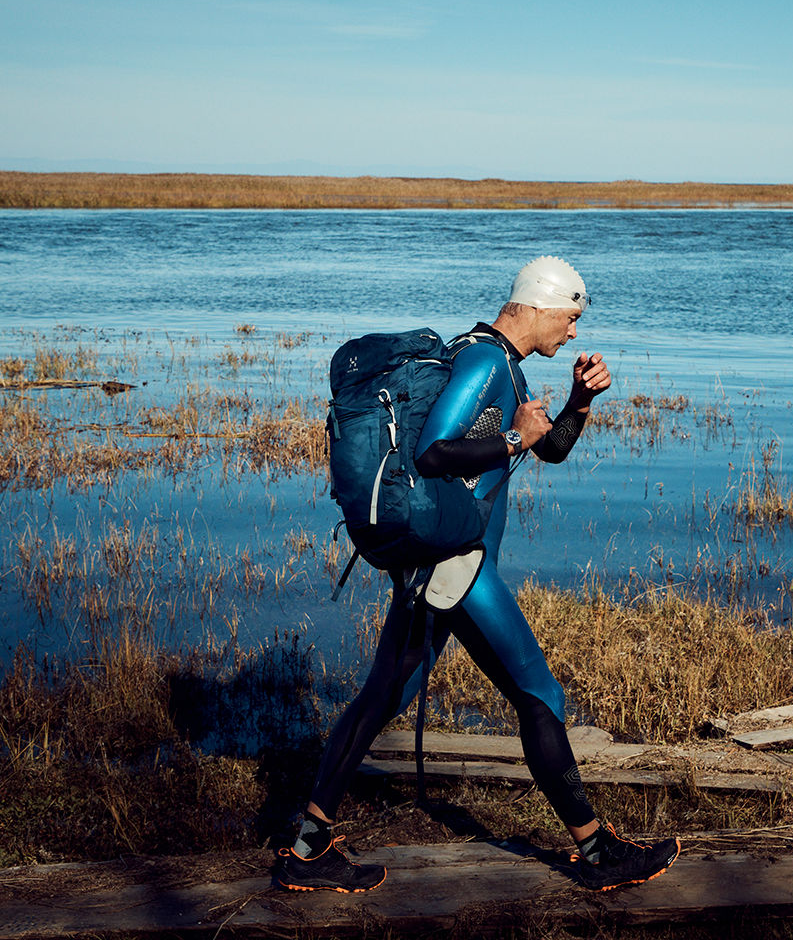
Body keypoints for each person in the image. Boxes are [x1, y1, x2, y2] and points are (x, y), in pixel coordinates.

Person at [274, 256, 681, 894]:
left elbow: (551, 444)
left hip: (434, 565)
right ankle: (597, 851)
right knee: (539, 694)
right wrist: (513, 441)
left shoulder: (499, 363)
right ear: (542, 306)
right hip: (459, 568)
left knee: (383, 697)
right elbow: (432, 451)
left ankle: (306, 846)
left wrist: (579, 400)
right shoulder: (487, 362)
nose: (572, 334)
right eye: (571, 320)